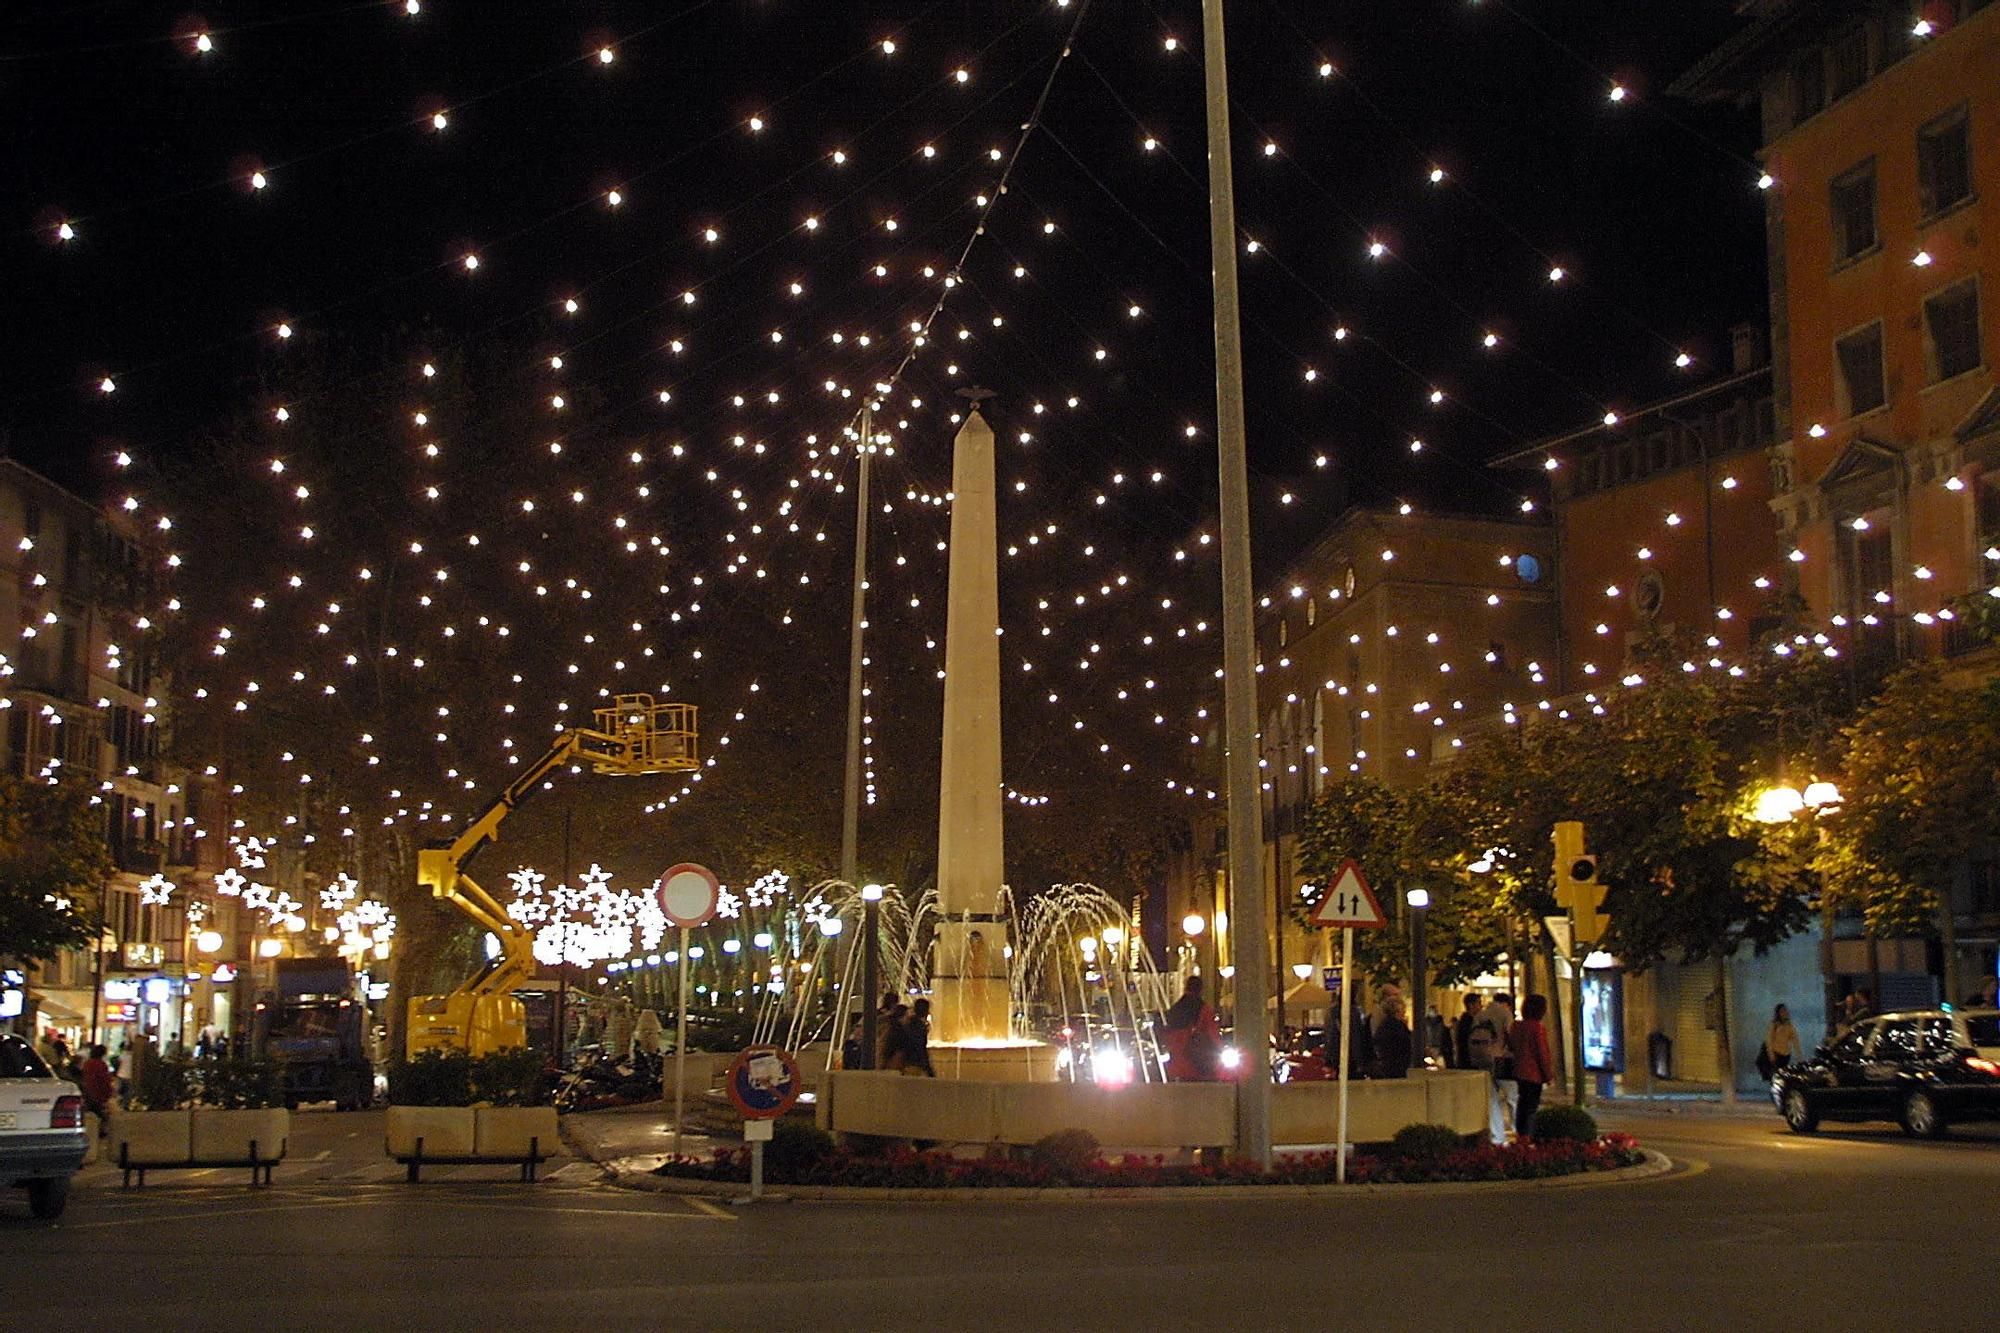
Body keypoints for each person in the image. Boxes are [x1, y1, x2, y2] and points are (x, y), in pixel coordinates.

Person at [1471, 992, 1516, 1143]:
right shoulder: (1506, 1014)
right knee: (1512, 1097)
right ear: (1506, 1004)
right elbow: (1510, 1035)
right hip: (1503, 1060)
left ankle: (1497, 1136)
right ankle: (1517, 1131)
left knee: (1491, 1099)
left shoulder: (1480, 1015)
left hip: (1482, 1060)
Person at [1159, 976, 1224, 1081]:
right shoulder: (1204, 1009)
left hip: (1176, 1066)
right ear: (1201, 990)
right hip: (1196, 1065)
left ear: (1186, 988)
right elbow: (1213, 1034)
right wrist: (1220, 1049)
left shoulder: (1174, 1009)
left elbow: (1166, 1034)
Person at [1508, 994, 1554, 1139]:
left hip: (1519, 1070)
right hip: (1534, 1073)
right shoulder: (1537, 1028)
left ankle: (1521, 1134)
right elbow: (1542, 1053)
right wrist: (1548, 1075)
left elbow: (1512, 1045)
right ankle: (1528, 1135)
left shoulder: (1517, 1026)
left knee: (1522, 1104)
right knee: (1531, 1107)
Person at [1368, 995, 1412, 1079]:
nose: (1404, 1012)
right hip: (1397, 1065)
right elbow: (1404, 1043)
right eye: (1402, 1009)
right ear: (1396, 1011)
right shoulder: (1396, 1026)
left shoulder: (1384, 1025)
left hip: (1389, 1064)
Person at [79, 1044, 115, 1134]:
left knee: (92, 1112)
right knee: (101, 1114)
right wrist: (109, 1092)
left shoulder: (87, 1063)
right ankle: (101, 1131)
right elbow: (105, 1080)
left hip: (88, 1091)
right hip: (98, 1092)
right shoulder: (101, 1064)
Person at [1760, 1003, 1800, 1080]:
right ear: (1778, 1013)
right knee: (1776, 1076)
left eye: (1785, 1011)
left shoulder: (1789, 1025)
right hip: (1776, 1054)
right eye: (1782, 1011)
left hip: (1785, 1055)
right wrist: (1771, 1055)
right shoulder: (1774, 1025)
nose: (1785, 1013)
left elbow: (1795, 1041)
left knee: (1783, 1076)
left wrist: (1799, 1056)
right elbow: (1769, 1041)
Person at [901, 998, 935, 1077]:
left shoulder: (909, 1023)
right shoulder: (919, 1026)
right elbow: (920, 1047)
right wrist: (928, 1068)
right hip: (914, 1063)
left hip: (908, 1062)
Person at [879, 1003, 911, 1071]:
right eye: (907, 1016)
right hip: (893, 1061)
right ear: (902, 1016)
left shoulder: (889, 1027)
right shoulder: (899, 1031)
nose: (908, 1019)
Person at [1454, 993, 1482, 1070]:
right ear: (1471, 1005)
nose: (1481, 1006)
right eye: (1479, 1003)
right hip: (1468, 1060)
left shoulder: (1467, 1019)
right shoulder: (1467, 1021)